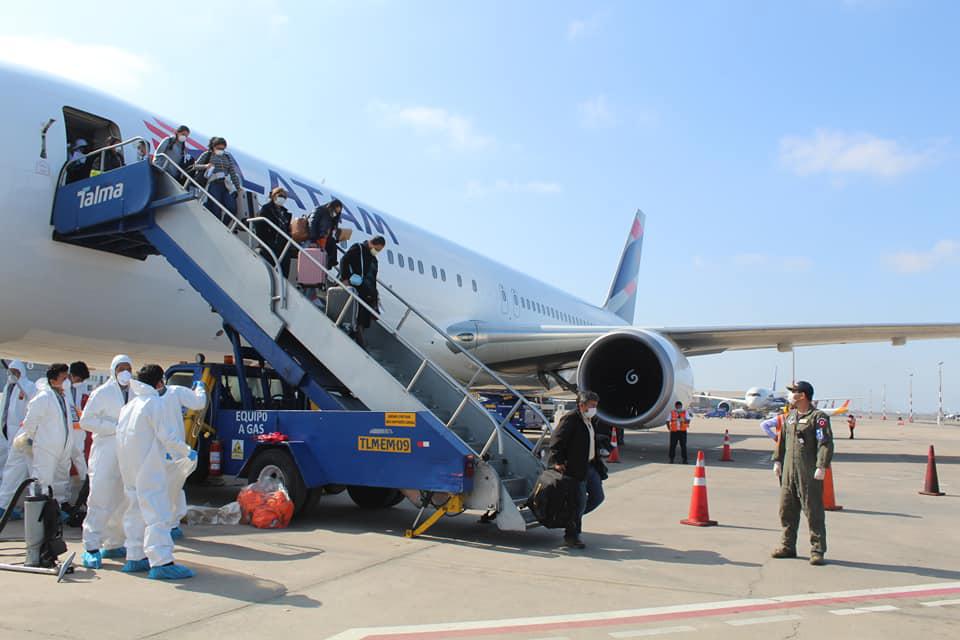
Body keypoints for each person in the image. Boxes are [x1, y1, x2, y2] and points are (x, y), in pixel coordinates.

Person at [116, 365, 196, 579]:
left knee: (134, 511)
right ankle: (162, 562)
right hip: (148, 467)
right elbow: (167, 436)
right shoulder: (154, 403)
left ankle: (135, 556)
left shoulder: (130, 405)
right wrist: (186, 451)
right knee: (158, 514)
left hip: (129, 467)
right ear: (160, 382)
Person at [772, 380, 834, 566]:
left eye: (794, 392)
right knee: (786, 510)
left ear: (803, 395)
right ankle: (788, 546)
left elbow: (825, 443)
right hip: (788, 472)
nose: (791, 395)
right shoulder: (790, 417)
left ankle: (817, 550)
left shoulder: (818, 418)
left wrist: (821, 465)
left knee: (813, 511)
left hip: (807, 471)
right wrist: (777, 460)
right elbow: (782, 440)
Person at [80, 355, 133, 569]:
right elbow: (86, 420)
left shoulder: (135, 392)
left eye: (128, 368)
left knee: (122, 499)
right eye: (121, 368)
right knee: (100, 497)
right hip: (105, 450)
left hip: (127, 451)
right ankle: (91, 546)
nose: (125, 372)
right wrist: (114, 427)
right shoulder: (102, 393)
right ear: (113, 370)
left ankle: (114, 542)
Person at [548, 390, 605, 549]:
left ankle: (568, 518)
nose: (594, 409)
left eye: (596, 406)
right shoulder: (571, 419)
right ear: (582, 405)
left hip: (590, 466)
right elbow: (556, 441)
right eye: (592, 405)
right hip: (575, 468)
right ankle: (572, 535)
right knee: (578, 502)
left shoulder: (590, 420)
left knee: (597, 497)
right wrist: (558, 461)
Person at [154, 377, 206, 539]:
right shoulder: (175, 392)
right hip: (173, 449)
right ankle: (169, 524)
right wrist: (200, 389)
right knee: (172, 487)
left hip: (161, 450)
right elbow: (199, 402)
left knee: (168, 487)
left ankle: (169, 523)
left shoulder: (143, 399)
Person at [16, 364, 72, 512]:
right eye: (64, 378)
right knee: (42, 481)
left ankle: (58, 509)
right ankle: (37, 513)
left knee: (61, 480)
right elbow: (30, 423)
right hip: (46, 447)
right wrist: (36, 440)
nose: (67, 381)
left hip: (62, 447)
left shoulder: (62, 397)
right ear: (53, 380)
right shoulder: (43, 397)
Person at [0, 360, 37, 519]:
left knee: (27, 472)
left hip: (23, 433)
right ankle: (7, 506)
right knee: (10, 470)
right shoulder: (8, 387)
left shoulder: (28, 386)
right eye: (11, 371)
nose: (13, 374)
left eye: (16, 372)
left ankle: (33, 506)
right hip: (7, 431)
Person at [339, 236, 386, 348]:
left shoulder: (374, 260)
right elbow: (344, 261)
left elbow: (373, 279)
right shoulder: (358, 248)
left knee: (365, 318)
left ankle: (358, 336)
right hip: (357, 288)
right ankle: (360, 341)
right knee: (358, 316)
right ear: (371, 243)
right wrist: (345, 278)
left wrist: (376, 296)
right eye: (377, 249)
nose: (377, 252)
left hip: (368, 292)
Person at [56, 361, 91, 507]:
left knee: (78, 461)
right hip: (66, 431)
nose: (78, 381)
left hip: (76, 432)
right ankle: (63, 500)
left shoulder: (81, 390)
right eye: (77, 378)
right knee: (64, 465)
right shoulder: (64, 387)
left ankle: (85, 492)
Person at [194, 137, 244, 220]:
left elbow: (232, 173)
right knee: (216, 208)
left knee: (232, 207)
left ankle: (224, 224)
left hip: (226, 184)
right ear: (213, 147)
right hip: (214, 183)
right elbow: (195, 166)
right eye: (218, 148)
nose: (221, 150)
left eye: (222, 149)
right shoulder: (207, 154)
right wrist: (205, 166)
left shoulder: (227, 157)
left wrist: (238, 187)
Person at [253, 187, 293, 278]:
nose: (282, 198)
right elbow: (259, 225)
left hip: (282, 246)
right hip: (270, 244)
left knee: (283, 273)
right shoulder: (266, 209)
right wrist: (265, 242)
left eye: (284, 197)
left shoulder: (285, 213)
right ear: (274, 196)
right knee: (269, 272)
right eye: (280, 196)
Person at [309, 198, 344, 273]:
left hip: (324, 241)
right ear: (331, 206)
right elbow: (312, 224)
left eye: (338, 212)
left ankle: (329, 264)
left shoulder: (332, 218)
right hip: (315, 239)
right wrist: (313, 240)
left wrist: (337, 235)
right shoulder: (320, 210)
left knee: (332, 245)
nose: (336, 213)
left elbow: (330, 232)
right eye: (335, 211)